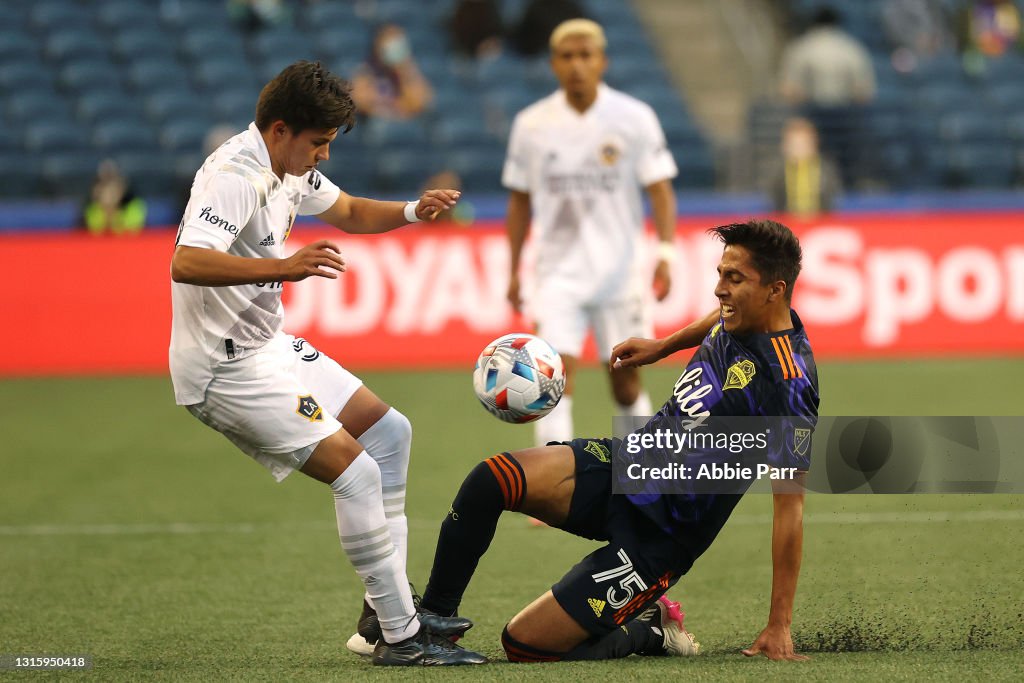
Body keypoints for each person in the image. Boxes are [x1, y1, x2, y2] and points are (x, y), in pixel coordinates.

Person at [168, 60, 485, 667]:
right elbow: (186, 261)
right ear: (281, 129)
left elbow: (350, 212)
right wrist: (282, 267)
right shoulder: (235, 175)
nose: (324, 157)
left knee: (390, 432)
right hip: (223, 368)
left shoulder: (288, 166)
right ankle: (399, 636)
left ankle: (382, 611)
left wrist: (415, 211)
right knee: (357, 473)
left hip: (266, 345)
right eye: (318, 144)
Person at [419, 220, 819, 663]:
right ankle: (432, 623)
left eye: (734, 278)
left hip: (662, 535)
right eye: (721, 273)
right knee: (491, 480)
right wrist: (663, 346)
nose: (719, 289)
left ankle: (651, 631)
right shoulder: (742, 314)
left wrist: (779, 624)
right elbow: (717, 319)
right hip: (628, 464)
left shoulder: (790, 385)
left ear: (775, 291)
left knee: (524, 645)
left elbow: (790, 507)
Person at [503, 19, 679, 451]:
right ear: (553, 64)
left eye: (586, 56)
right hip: (558, 273)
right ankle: (553, 484)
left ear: (602, 61)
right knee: (553, 377)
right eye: (567, 57)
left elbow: (660, 189)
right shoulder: (531, 124)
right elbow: (520, 201)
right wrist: (513, 270)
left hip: (619, 273)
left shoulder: (634, 117)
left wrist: (667, 252)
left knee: (624, 382)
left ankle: (643, 470)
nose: (577, 65)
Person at [351, 24, 433, 122]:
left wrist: (404, 73)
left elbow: (421, 102)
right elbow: (358, 102)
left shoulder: (408, 69)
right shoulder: (366, 70)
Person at [767, 117, 842, 216]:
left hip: (820, 225)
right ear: (784, 146)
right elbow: (773, 201)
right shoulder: (777, 171)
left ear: (814, 145)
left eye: (803, 144)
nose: (799, 150)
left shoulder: (826, 170)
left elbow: (832, 200)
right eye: (794, 145)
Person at [82, 159, 147, 235]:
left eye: (113, 189)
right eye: (104, 187)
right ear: (96, 191)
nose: (108, 194)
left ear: (121, 189)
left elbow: (132, 232)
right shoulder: (90, 209)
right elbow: (95, 232)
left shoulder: (134, 206)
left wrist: (115, 217)